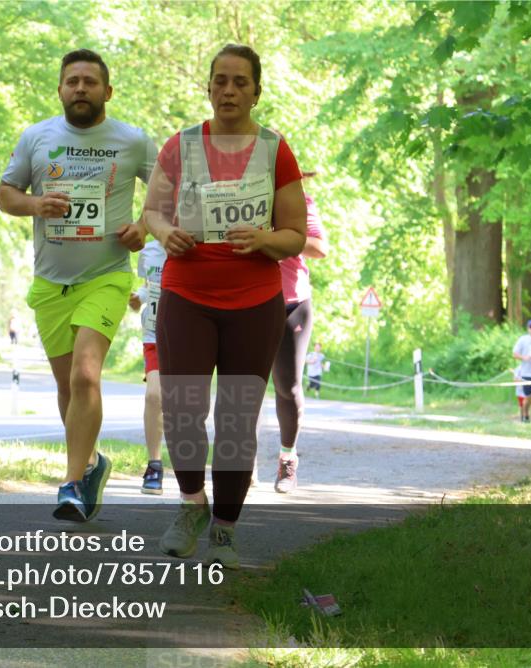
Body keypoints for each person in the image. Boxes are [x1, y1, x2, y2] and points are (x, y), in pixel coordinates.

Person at [143, 44, 307, 568]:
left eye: (240, 81)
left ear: (257, 90)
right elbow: (153, 212)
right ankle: (192, 505)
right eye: (220, 80)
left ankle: (225, 531)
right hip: (187, 295)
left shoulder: (276, 151)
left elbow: (295, 235)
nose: (229, 90)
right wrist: (167, 233)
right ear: (208, 87)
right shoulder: (181, 146)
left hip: (254, 302)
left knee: (237, 418)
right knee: (183, 407)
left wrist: (264, 239)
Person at [0, 49, 156, 522]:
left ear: (108, 91)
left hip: (105, 277)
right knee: (68, 387)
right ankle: (89, 465)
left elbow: (169, 192)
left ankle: (69, 485)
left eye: (90, 81)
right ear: (61, 89)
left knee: (86, 374)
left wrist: (144, 226)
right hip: (50, 283)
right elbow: (6, 195)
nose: (80, 88)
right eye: (72, 81)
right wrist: (36, 205)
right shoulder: (37, 137)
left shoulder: (132, 141)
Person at [270, 185, 328, 493]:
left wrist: (276, 237)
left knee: (287, 385)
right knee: (242, 383)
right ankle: (242, 461)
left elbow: (319, 246)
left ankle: (287, 458)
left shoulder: (299, 198)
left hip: (291, 301)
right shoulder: (232, 193)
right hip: (245, 300)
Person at [128, 239, 167, 494]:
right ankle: (154, 464)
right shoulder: (149, 251)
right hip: (154, 334)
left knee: (190, 404)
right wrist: (138, 298)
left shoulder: (200, 245)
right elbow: (150, 286)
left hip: (193, 333)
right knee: (154, 396)